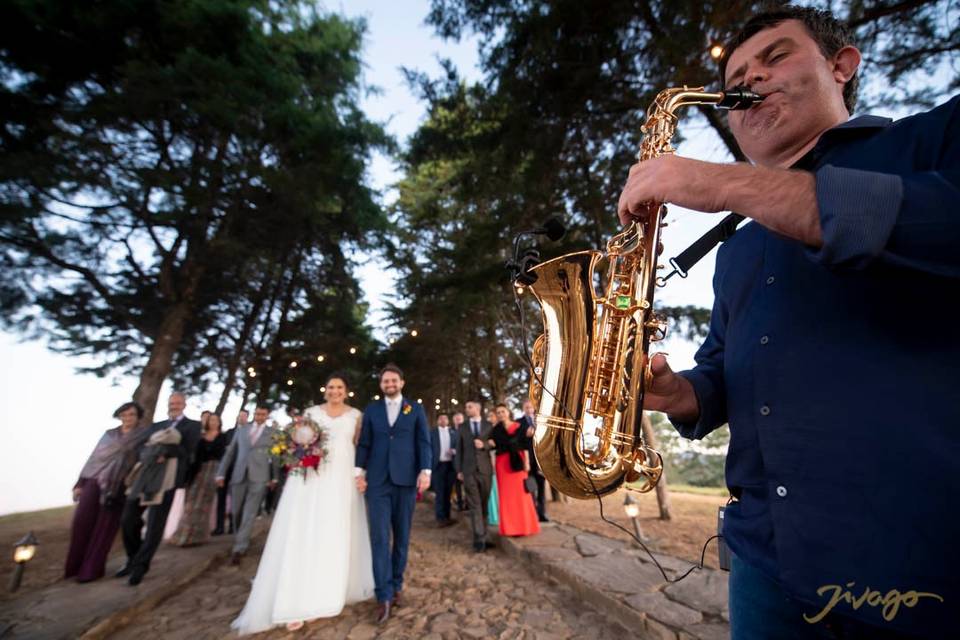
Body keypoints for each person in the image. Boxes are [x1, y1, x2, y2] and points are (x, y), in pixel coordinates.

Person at [617, 6, 959, 638]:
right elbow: (725, 372)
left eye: (774, 58)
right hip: (763, 565)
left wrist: (727, 184)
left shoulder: (932, 139)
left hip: (920, 567)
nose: (751, 82)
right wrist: (681, 394)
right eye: (738, 77)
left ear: (842, 65)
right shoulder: (738, 250)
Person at [232, 374, 374, 634]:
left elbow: (360, 446)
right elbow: (298, 440)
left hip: (341, 480)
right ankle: (295, 595)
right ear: (325, 390)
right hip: (312, 477)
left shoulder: (356, 415)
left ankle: (331, 587)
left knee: (335, 529)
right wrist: (299, 453)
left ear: (346, 391)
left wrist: (361, 474)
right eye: (331, 387)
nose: (335, 391)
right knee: (305, 529)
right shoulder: (311, 412)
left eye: (339, 387)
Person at [355, 364, 431, 625]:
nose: (390, 384)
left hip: (406, 480)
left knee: (401, 537)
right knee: (379, 537)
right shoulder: (372, 410)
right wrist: (359, 472)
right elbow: (364, 442)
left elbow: (423, 442)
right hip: (377, 482)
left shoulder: (415, 409)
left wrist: (426, 471)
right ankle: (383, 595)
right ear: (381, 385)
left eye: (394, 380)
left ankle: (397, 583)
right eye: (385, 381)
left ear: (402, 382)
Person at [119, 392, 201, 585]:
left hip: (168, 478)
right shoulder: (156, 426)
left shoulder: (193, 426)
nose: (174, 405)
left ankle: (141, 567)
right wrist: (153, 452)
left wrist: (163, 450)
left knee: (155, 524)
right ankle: (133, 557)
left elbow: (187, 451)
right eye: (172, 402)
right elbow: (143, 447)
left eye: (178, 403)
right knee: (128, 518)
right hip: (145, 475)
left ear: (184, 404)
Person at [65, 401, 148, 582]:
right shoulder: (109, 434)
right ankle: (74, 567)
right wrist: (80, 484)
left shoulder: (143, 435)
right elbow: (94, 459)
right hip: (93, 482)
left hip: (118, 486)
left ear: (138, 417)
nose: (128, 418)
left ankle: (90, 571)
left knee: (105, 528)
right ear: (119, 416)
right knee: (82, 523)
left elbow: (143, 459)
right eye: (124, 414)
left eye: (132, 414)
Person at [216, 404, 279, 564]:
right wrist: (221, 473)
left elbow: (276, 456)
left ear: (267, 415)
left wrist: (274, 477)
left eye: (263, 414)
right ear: (254, 414)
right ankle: (240, 537)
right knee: (236, 511)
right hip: (239, 474)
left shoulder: (272, 433)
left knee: (249, 513)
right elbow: (230, 453)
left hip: (259, 476)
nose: (259, 416)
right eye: (257, 413)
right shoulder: (242, 430)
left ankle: (239, 547)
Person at [171, 413, 226, 546]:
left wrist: (221, 475)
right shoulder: (200, 437)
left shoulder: (223, 438)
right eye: (211, 420)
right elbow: (195, 456)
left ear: (219, 422)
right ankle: (183, 535)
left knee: (204, 506)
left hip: (213, 471)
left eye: (215, 420)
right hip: (198, 472)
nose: (213, 422)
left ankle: (198, 536)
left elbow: (223, 457)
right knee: (190, 504)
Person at [489, 403, 540, 538]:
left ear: (508, 412)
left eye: (502, 411)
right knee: (506, 497)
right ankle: (510, 529)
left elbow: (525, 446)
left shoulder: (519, 426)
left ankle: (525, 527)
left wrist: (527, 463)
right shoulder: (495, 430)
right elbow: (492, 444)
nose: (500, 414)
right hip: (502, 464)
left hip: (518, 462)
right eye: (498, 412)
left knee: (522, 496)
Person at [455, 401, 495, 552]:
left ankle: (484, 536)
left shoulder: (489, 425)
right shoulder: (462, 426)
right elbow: (459, 449)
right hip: (468, 470)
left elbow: (494, 443)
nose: (466, 409)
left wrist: (484, 445)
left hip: (486, 471)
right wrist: (459, 470)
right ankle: (478, 539)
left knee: (484, 505)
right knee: (474, 504)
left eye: (469, 407)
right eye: (466, 407)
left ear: (478, 408)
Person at [212, 408, 245, 536]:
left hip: (239, 471)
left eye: (244, 416)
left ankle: (233, 525)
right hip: (226, 470)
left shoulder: (248, 434)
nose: (241, 418)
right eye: (239, 416)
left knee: (236, 499)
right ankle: (219, 526)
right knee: (221, 498)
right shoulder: (229, 433)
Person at [518, 399, 547, 522]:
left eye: (530, 407)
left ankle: (542, 514)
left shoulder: (541, 421)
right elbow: (517, 442)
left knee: (541, 488)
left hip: (540, 461)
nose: (529, 409)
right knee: (530, 488)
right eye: (526, 407)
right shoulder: (519, 423)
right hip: (528, 462)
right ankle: (532, 513)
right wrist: (526, 436)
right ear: (523, 408)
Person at [429, 413, 458, 527]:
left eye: (445, 418)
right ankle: (440, 518)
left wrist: (454, 451)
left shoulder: (453, 433)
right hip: (438, 466)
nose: (443, 420)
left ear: (448, 420)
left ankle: (447, 516)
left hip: (451, 466)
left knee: (448, 492)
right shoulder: (432, 433)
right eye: (440, 418)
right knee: (439, 492)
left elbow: (458, 447)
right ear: (437, 421)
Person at [450, 411, 466, 511]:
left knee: (468, 484)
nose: (458, 420)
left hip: (466, 461)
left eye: (460, 419)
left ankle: (468, 504)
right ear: (453, 420)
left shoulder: (467, 431)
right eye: (456, 419)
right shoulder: (450, 431)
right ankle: (459, 504)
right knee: (457, 484)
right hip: (454, 463)